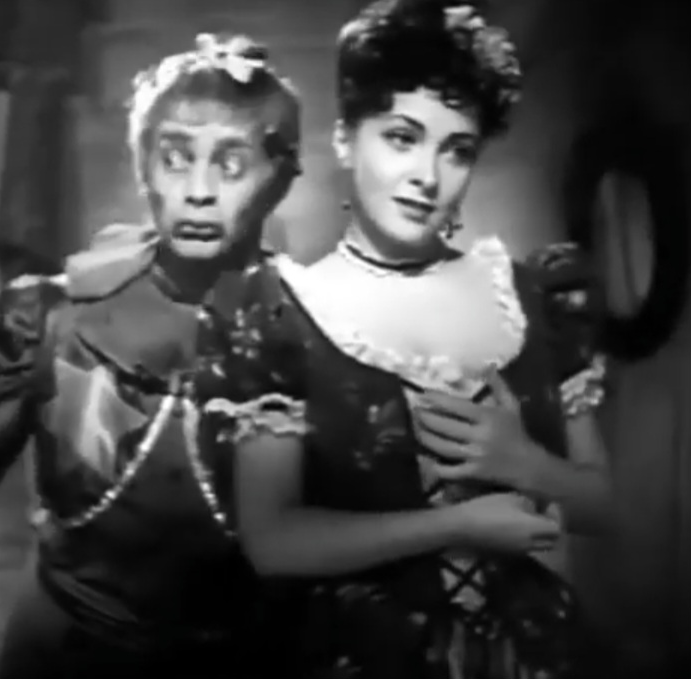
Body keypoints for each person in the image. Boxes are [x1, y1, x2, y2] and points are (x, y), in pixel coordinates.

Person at [0, 32, 302, 678]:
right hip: (62, 658)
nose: (199, 190)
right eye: (175, 158)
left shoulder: (315, 337)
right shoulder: (57, 317)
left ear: (282, 178)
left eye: (232, 165)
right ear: (142, 166)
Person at [203, 2, 613, 678]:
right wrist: (456, 525)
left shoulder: (532, 296)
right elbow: (273, 541)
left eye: (457, 150)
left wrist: (527, 463)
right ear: (345, 140)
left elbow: (603, 505)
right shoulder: (279, 313)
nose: (428, 174)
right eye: (402, 137)